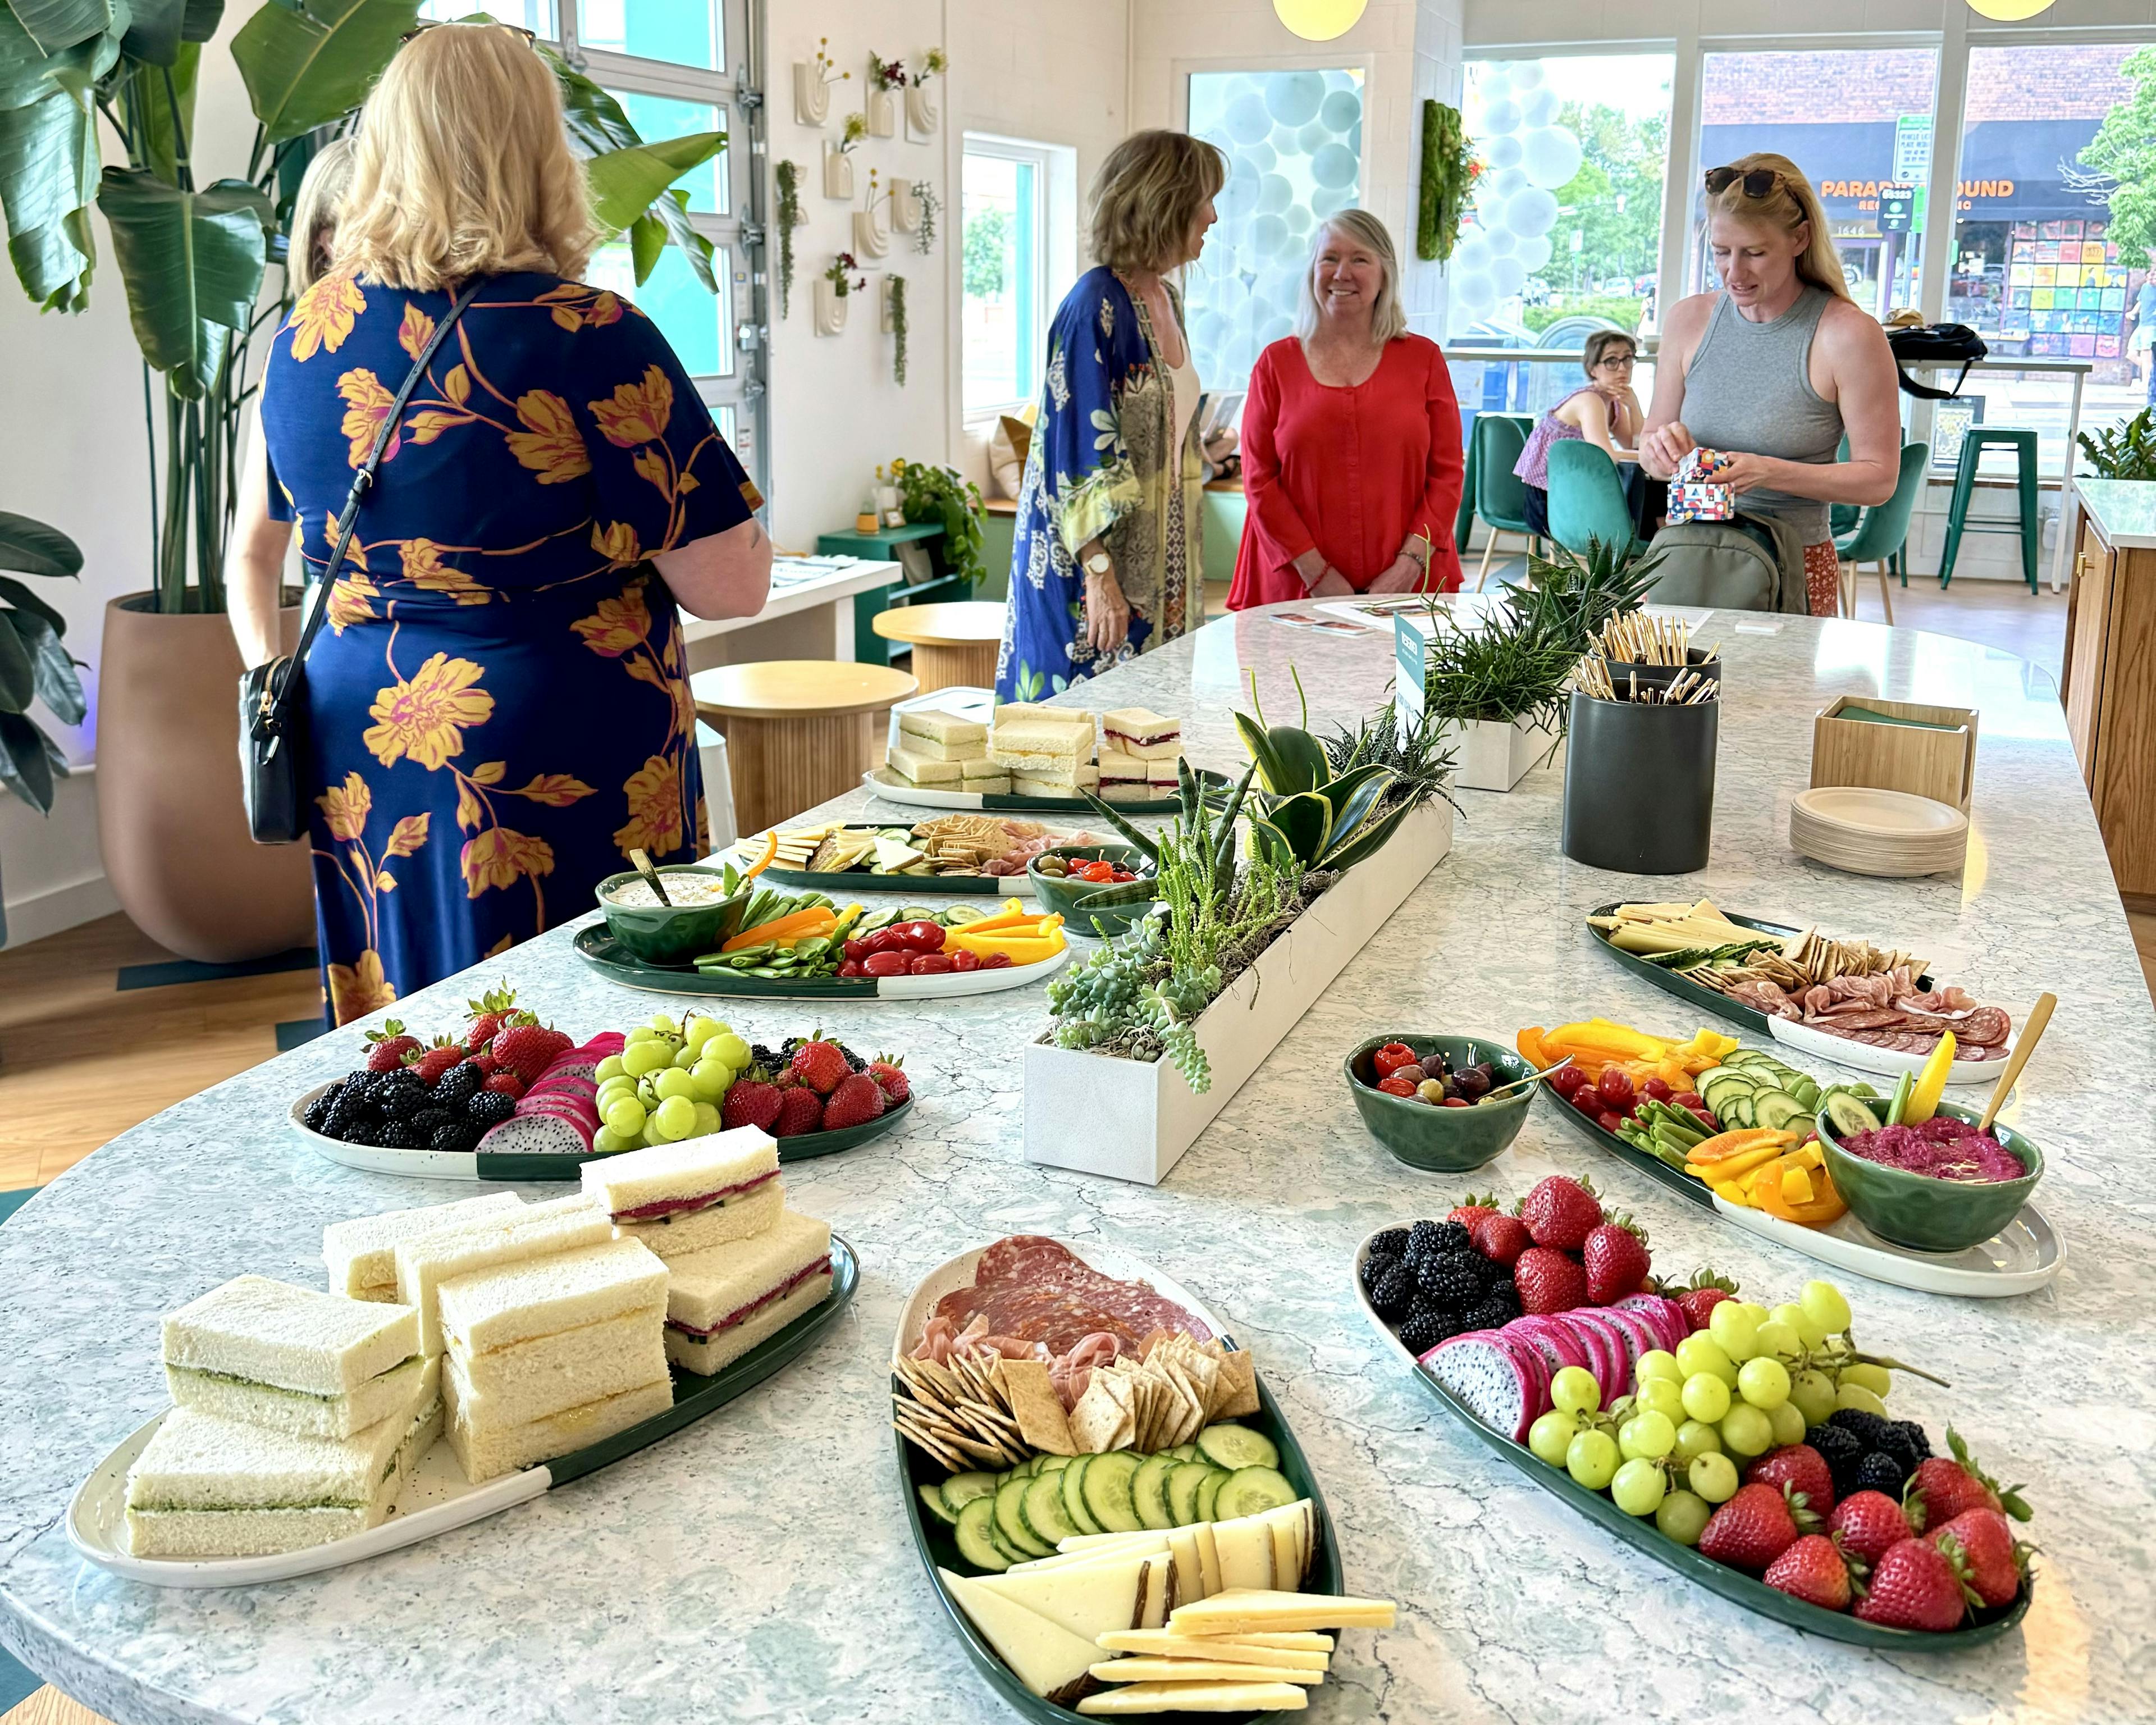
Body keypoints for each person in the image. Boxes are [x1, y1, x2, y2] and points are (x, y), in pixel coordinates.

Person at [224, 21, 771, 1024]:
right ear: (539, 154)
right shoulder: (589, 333)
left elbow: (263, 541)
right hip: (552, 733)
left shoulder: (304, 334)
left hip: (359, 727)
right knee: (584, 1033)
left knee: (413, 1026)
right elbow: (729, 585)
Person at [995, 130, 1223, 701]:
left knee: (1152, 735)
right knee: (1088, 738)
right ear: (1164, 204)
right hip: (1092, 574)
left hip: (1164, 564)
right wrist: (1100, 578)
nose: (1213, 217)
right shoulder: (1093, 305)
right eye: (1204, 200)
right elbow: (1074, 449)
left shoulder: (1168, 301)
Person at [1638, 153, 1900, 617]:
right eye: (1721, 252)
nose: (1734, 273)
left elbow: (1879, 478)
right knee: (1670, 689)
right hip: (1688, 557)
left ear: (1799, 238)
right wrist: (1659, 450)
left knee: (1780, 693)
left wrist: (1769, 471)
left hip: (1793, 567)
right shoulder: (1688, 320)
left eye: (1755, 253)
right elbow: (1651, 449)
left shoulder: (1848, 334)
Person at [1228, 209, 1464, 608]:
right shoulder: (1276, 364)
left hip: (1410, 583)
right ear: (1312, 270)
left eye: (1360, 259)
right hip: (1292, 584)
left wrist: (1408, 566)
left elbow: (1446, 473)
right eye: (1330, 258)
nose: (1342, 273)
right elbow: (1259, 478)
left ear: (1384, 272)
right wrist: (1315, 573)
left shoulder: (1424, 359)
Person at [1513, 328, 1646, 542]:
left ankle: (1645, 556)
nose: (1622, 368)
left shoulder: (1613, 402)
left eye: (1628, 359)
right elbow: (1607, 455)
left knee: (1650, 494)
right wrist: (1653, 458)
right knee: (1644, 495)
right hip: (1549, 503)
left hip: (1576, 496)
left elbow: (1635, 445)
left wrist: (1635, 406)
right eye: (1612, 361)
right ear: (1593, 369)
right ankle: (1635, 559)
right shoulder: (1589, 400)